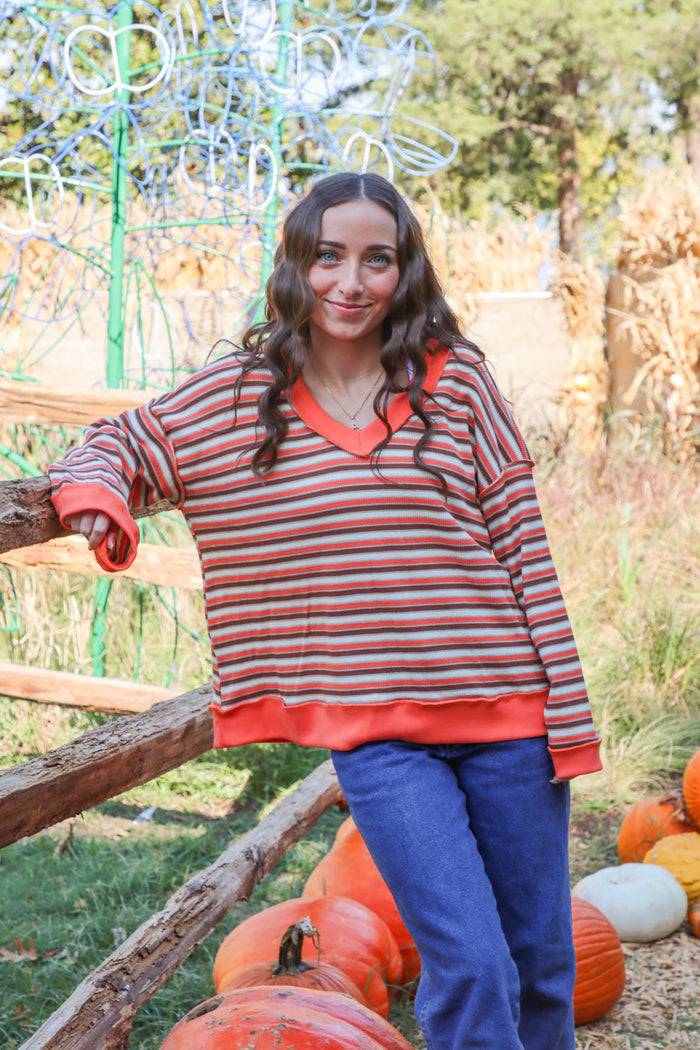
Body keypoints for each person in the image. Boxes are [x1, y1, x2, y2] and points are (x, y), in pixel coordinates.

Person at [49, 171, 602, 1050]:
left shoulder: (455, 385)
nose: (351, 282)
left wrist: (566, 717)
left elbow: (526, 553)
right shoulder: (241, 394)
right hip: (379, 738)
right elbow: (125, 439)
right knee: (471, 962)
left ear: (404, 272)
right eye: (328, 257)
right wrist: (97, 493)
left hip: (510, 718)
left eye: (376, 260)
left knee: (539, 960)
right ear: (295, 266)